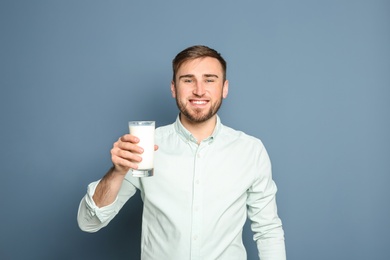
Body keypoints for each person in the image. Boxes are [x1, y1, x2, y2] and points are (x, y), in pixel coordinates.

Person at [77, 45, 286, 260]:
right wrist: (117, 172)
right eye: (188, 80)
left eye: (209, 79)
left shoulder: (249, 150)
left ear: (224, 88)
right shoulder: (146, 147)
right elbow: (89, 222)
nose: (199, 90)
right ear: (173, 88)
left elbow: (268, 230)